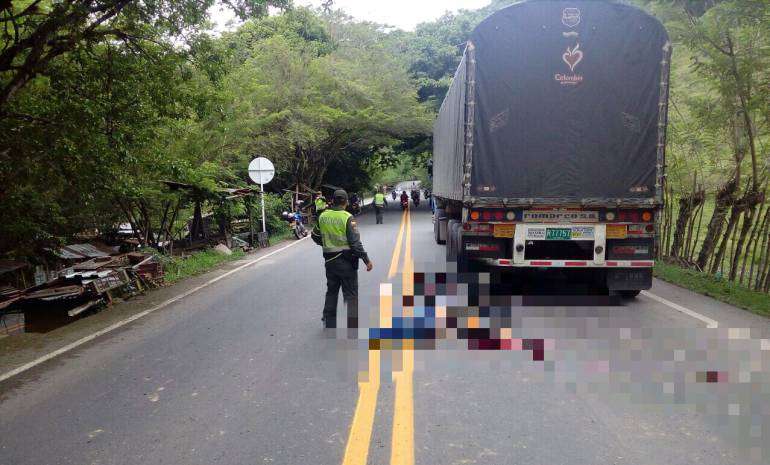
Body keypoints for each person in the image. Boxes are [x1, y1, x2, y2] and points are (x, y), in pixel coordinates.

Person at [312, 189, 373, 329]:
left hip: (329, 261)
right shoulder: (347, 217)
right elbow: (355, 243)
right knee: (351, 292)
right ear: (345, 202)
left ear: (332, 201)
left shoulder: (323, 216)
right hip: (346, 261)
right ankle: (352, 323)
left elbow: (314, 236)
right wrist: (366, 260)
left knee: (332, 290)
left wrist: (326, 243)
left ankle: (329, 321)